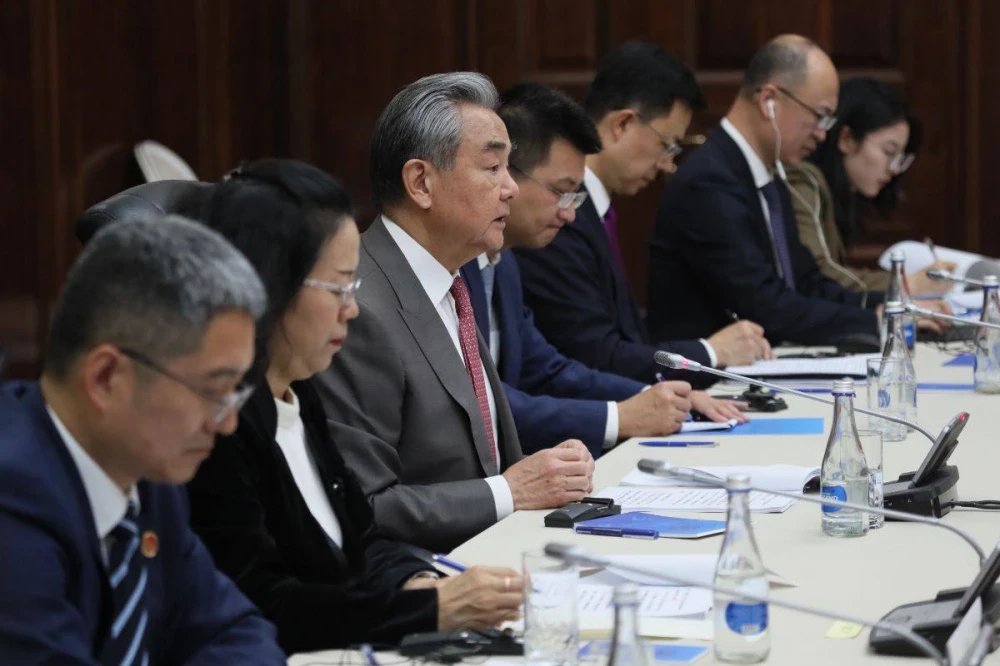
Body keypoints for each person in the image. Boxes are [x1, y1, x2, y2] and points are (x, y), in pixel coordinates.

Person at [186, 159, 523, 655]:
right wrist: (430, 609)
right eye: (339, 288)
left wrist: (417, 582)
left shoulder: (299, 395)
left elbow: (362, 539)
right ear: (270, 287)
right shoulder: (218, 429)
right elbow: (266, 604)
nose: (353, 308)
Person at [315, 72, 595, 552]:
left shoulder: (453, 281)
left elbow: (483, 463)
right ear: (421, 182)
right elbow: (367, 505)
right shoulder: (357, 307)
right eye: (492, 168)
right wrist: (511, 491)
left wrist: (546, 471)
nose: (511, 188)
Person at [0, 216, 285, 664]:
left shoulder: (147, 479)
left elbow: (239, 631)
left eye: (236, 393)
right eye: (213, 391)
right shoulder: (13, 500)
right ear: (106, 377)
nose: (228, 423)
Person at [461, 82, 747, 458]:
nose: (569, 214)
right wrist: (618, 418)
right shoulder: (458, 268)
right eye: (561, 192)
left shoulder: (505, 264)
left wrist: (654, 396)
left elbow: (545, 369)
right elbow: (480, 402)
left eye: (575, 196)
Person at [515, 42, 771, 387]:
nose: (668, 165)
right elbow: (595, 354)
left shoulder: (596, 211)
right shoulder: (555, 216)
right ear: (622, 124)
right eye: (666, 145)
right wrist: (711, 351)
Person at [648, 35, 884, 346]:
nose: (822, 134)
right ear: (769, 101)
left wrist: (890, 307)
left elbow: (806, 284)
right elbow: (766, 306)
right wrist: (876, 322)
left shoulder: (767, 174)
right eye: (818, 116)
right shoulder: (708, 182)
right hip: (707, 371)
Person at [788, 76, 954, 295]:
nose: (894, 169)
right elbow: (818, 276)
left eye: (901, 159)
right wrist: (906, 284)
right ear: (846, 139)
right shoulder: (804, 181)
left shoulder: (840, 195)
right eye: (888, 152)